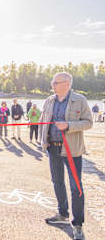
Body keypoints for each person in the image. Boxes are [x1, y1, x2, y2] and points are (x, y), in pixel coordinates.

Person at [39, 72, 92, 240]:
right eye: (52, 82)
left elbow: (89, 122)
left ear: (67, 84)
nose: (52, 85)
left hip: (72, 150)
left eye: (56, 82)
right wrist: (42, 141)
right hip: (52, 149)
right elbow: (42, 120)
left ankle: (78, 225)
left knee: (76, 186)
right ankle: (63, 214)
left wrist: (68, 125)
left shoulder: (80, 100)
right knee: (57, 182)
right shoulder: (49, 100)